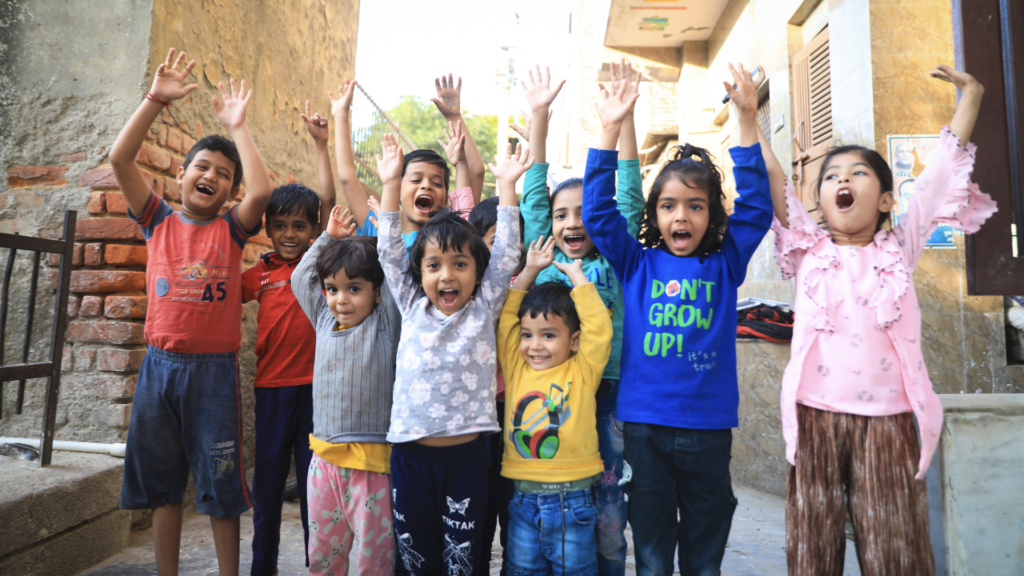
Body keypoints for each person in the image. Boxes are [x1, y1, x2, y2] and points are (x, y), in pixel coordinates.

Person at [771, 64, 995, 576]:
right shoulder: (808, 249)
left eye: (858, 173)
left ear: (888, 199)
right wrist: (745, 118)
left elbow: (938, 175)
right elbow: (776, 184)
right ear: (821, 202)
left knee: (895, 549)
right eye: (831, 177)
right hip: (814, 416)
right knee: (810, 549)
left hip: (890, 423)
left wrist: (972, 97)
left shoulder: (900, 247)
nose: (842, 180)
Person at [582, 63, 773, 575]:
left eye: (695, 205)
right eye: (668, 206)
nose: (681, 216)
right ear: (654, 215)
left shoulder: (724, 263)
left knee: (704, 557)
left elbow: (757, 208)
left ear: (712, 214)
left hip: (708, 431)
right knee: (650, 552)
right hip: (644, 429)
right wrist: (608, 129)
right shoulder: (635, 263)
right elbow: (598, 215)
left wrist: (747, 121)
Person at [111, 48, 273, 576]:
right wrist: (156, 99)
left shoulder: (232, 230)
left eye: (224, 174)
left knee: (222, 487)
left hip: (213, 376)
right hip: (160, 369)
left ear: (230, 191)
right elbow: (120, 158)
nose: (211, 176)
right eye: (202, 166)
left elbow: (264, 189)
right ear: (181, 174)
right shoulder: (157, 219)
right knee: (163, 487)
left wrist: (238, 127)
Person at [377, 134, 528, 575]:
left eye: (460, 264)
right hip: (410, 457)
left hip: (467, 460)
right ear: (419, 272)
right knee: (416, 558)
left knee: (464, 559)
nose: (447, 274)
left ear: (478, 272)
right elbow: (388, 250)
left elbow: (507, 253)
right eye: (434, 265)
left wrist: (507, 188)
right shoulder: (410, 302)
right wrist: (390, 183)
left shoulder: (485, 305)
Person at [518, 61, 643, 576]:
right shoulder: (543, 257)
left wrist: (625, 117)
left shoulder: (613, 255)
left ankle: (608, 567)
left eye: (584, 212)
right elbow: (531, 197)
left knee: (609, 497)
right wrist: (539, 118)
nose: (573, 222)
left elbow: (629, 195)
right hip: (555, 392)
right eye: (561, 214)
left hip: (610, 392)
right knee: (553, 492)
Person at [241, 101, 337, 576]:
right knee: (269, 485)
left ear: (316, 230)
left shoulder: (321, 265)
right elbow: (221, 295)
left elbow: (331, 199)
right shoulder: (259, 273)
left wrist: (322, 144)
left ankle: (317, 564)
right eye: (279, 226)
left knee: (316, 489)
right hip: (272, 391)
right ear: (267, 230)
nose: (289, 234)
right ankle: (263, 567)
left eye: (300, 225)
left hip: (318, 392)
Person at [292, 205, 402, 575]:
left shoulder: (385, 323)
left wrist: (388, 220)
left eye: (355, 289)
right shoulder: (324, 318)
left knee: (376, 561)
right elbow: (299, 278)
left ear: (377, 292)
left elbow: (393, 272)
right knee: (323, 556)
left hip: (370, 465)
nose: (342, 299)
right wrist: (327, 236)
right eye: (333, 289)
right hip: (322, 461)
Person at [497, 235, 613, 576]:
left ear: (573, 340)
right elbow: (507, 320)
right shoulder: (516, 365)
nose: (535, 345)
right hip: (523, 502)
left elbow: (600, 329)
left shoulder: (583, 368)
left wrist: (578, 278)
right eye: (529, 334)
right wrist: (530, 270)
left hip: (573, 503)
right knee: (521, 571)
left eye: (549, 335)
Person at [329, 77, 484, 249]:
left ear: (448, 201)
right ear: (399, 193)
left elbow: (476, 172)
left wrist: (454, 117)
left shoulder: (454, 237)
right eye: (416, 180)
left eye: (436, 183)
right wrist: (340, 115)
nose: (426, 186)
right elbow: (348, 179)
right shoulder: (378, 230)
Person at [467, 195, 526, 575]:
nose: (508, 249)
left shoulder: (529, 284)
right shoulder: (469, 291)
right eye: (496, 240)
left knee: (513, 507)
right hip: (479, 414)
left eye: (514, 240)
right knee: (479, 507)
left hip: (516, 411)